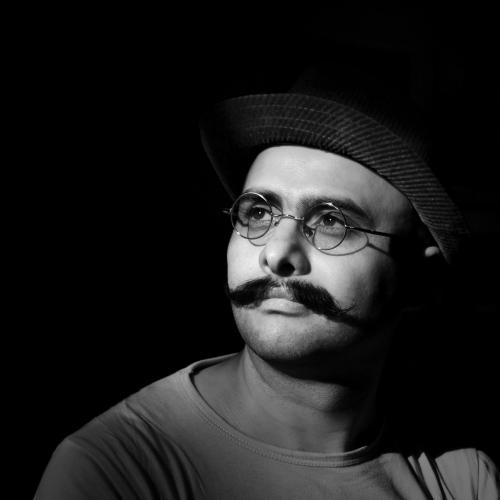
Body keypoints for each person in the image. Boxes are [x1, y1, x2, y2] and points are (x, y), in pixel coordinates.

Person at [35, 65, 499, 499]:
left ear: (420, 279)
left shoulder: (462, 477)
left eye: (332, 221)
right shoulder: (114, 472)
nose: (275, 254)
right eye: (258, 213)